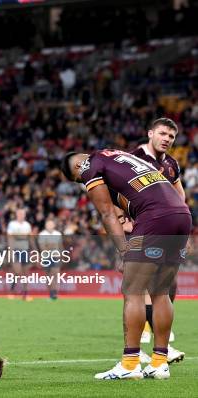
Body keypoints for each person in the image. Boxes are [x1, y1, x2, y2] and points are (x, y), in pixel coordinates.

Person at [61, 149, 191, 380]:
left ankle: (130, 364)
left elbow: (107, 213)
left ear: (77, 167)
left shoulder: (89, 165)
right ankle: (160, 363)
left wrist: (124, 251)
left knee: (133, 291)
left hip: (155, 217)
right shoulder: (119, 156)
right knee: (160, 292)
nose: (84, 183)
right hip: (181, 215)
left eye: (80, 180)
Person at [129, 118, 185, 364]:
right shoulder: (136, 159)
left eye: (171, 137)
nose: (167, 139)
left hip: (169, 230)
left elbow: (179, 192)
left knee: (169, 285)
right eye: (162, 134)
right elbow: (118, 191)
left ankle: (157, 341)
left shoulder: (171, 164)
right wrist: (124, 219)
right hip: (146, 227)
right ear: (150, 133)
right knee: (141, 287)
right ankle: (140, 347)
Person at [6, 208, 34, 301]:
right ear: (16, 215)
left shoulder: (27, 225)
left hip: (25, 250)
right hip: (15, 250)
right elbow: (10, 238)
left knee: (26, 273)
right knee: (17, 271)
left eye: (23, 214)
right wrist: (10, 251)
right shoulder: (12, 224)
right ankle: (12, 291)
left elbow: (30, 239)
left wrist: (34, 250)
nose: (21, 215)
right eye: (19, 214)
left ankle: (25, 294)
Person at [37, 219, 63, 300]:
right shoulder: (42, 234)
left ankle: (54, 293)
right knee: (49, 276)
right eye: (48, 224)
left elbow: (60, 246)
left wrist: (61, 255)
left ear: (54, 225)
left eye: (51, 224)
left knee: (55, 273)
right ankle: (51, 293)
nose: (49, 226)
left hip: (56, 256)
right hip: (46, 257)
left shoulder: (58, 234)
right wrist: (51, 247)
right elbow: (42, 247)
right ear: (45, 226)